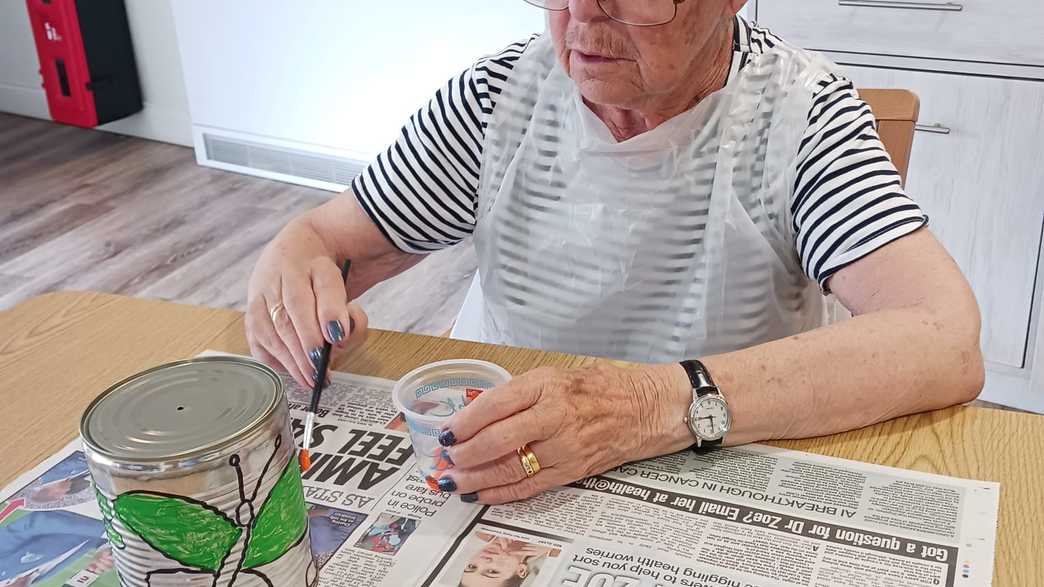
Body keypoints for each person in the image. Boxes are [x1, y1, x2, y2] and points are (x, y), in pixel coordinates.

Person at [247, 0, 983, 505]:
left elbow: (943, 338)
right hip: (504, 451)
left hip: (710, 456)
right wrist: (296, 256)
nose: (585, 15)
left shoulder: (800, 115)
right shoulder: (500, 96)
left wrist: (645, 406)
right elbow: (335, 241)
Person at [457, 533, 553, 587]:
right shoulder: (554, 552)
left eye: (472, 566)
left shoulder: (479, 533)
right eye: (492, 571)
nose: (483, 561)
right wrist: (552, 545)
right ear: (521, 570)